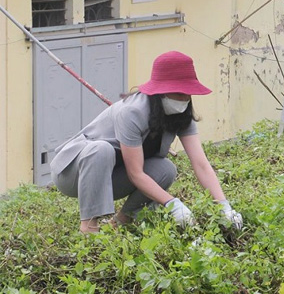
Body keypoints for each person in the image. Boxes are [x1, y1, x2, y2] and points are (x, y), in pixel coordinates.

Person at [50, 51, 243, 234]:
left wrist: (223, 206)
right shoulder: (132, 112)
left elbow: (201, 164)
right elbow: (135, 173)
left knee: (165, 169)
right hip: (74, 175)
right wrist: (172, 204)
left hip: (112, 176)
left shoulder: (180, 114)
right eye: (178, 92)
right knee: (102, 150)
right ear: (161, 92)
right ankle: (89, 227)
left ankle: (120, 223)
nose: (184, 98)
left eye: (188, 93)